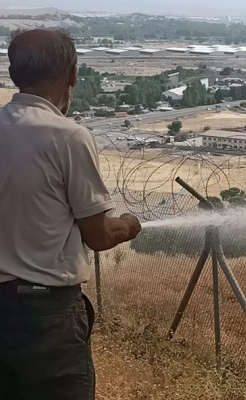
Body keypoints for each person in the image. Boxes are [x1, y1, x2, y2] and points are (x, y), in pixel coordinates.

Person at [0, 29, 141, 399]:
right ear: (72, 75)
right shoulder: (67, 136)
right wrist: (127, 225)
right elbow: (97, 236)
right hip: (44, 318)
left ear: (16, 75)